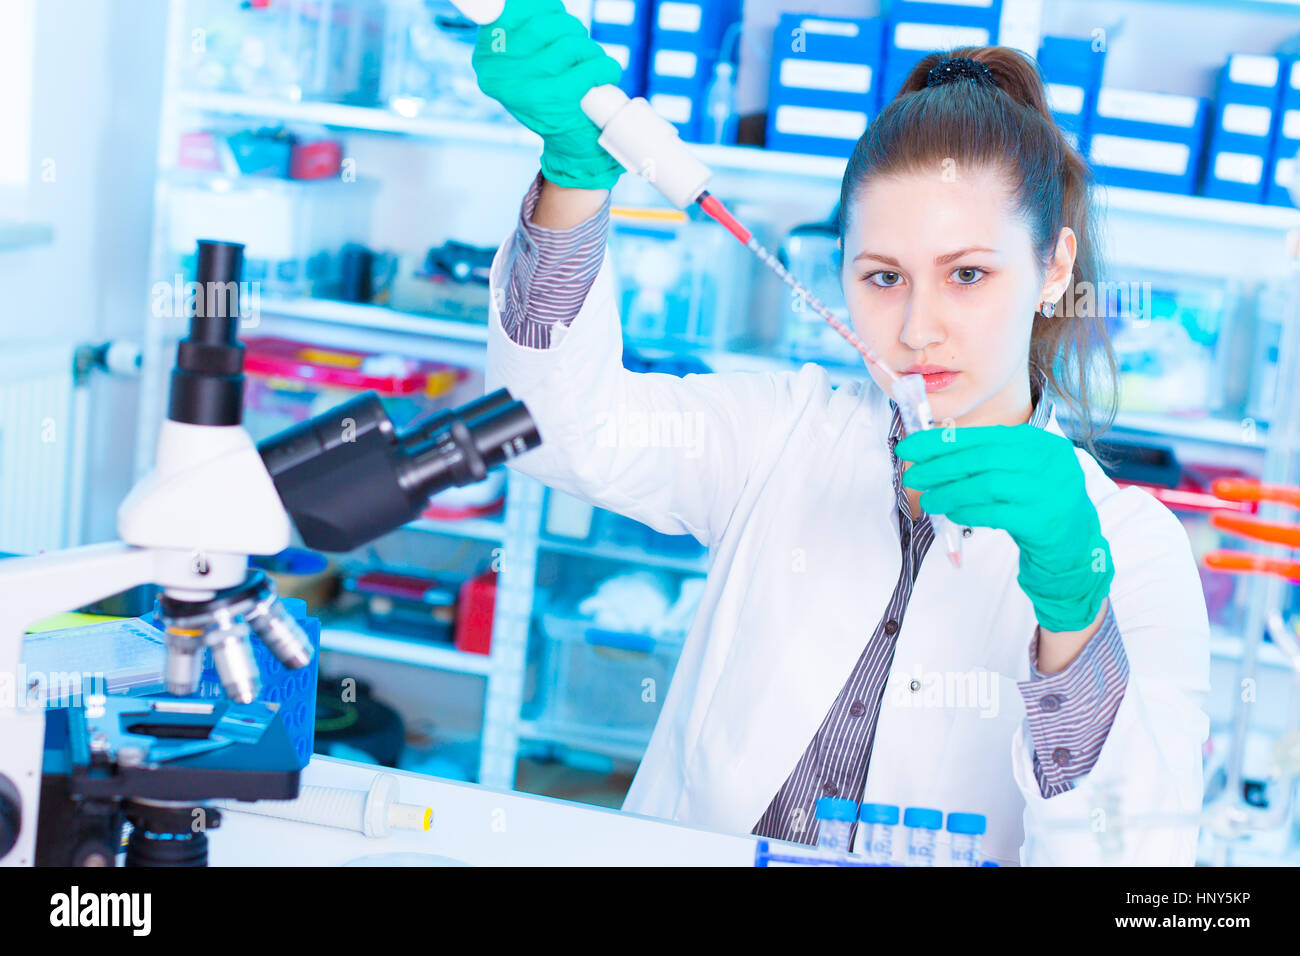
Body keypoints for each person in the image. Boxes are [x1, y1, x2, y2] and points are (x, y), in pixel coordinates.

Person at [472, 0, 1209, 865]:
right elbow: (559, 430)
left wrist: (1077, 613)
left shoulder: (1132, 547)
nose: (917, 327)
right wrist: (573, 177)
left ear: (1054, 268)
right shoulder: (781, 434)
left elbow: (1134, 867)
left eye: (968, 273)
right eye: (883, 276)